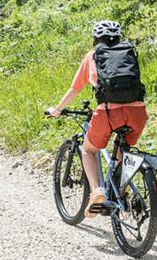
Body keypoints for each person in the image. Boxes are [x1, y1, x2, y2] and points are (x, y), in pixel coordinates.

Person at [45, 20, 148, 215]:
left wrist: (57, 109)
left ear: (95, 38)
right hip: (138, 112)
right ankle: (121, 193)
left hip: (108, 112)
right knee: (122, 152)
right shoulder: (128, 53)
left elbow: (75, 89)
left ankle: (96, 192)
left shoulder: (93, 56)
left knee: (88, 150)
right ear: (118, 37)